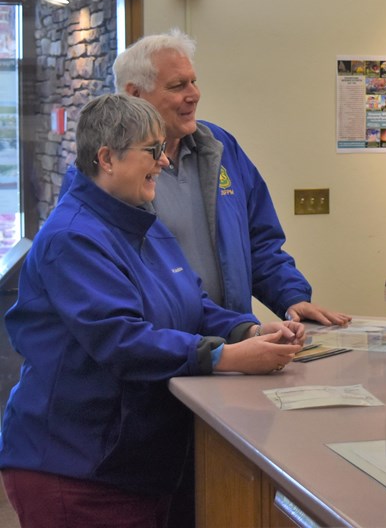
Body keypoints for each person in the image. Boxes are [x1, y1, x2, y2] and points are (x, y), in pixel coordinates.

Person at [0, 94, 304, 528]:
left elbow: (191, 303)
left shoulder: (142, 223)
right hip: (76, 467)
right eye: (153, 150)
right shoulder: (73, 237)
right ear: (107, 158)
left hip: (137, 466)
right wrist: (223, 357)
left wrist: (247, 332)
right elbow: (122, 339)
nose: (164, 162)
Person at [66, 30, 349, 328]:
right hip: (160, 353)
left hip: (235, 339)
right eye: (177, 86)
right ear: (135, 94)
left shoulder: (221, 147)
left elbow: (260, 242)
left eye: (193, 81)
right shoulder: (102, 175)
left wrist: (290, 296)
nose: (194, 94)